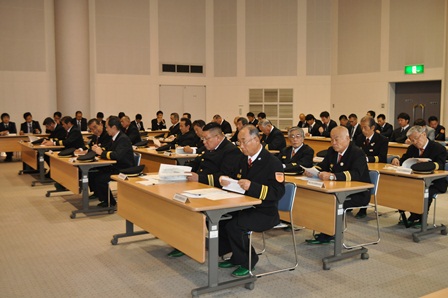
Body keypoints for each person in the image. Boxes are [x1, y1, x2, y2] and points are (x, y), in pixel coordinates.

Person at [167, 122, 243, 258]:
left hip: (219, 192)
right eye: (203, 138)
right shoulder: (208, 147)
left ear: (218, 137)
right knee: (178, 205)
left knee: (190, 209)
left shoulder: (231, 151)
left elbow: (224, 176)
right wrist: (179, 172)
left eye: (206, 138)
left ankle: (193, 244)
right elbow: (197, 164)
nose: (204, 142)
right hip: (202, 188)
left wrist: (199, 178)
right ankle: (183, 243)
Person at [218, 125, 285, 277]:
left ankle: (248, 261)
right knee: (222, 220)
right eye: (239, 143)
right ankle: (236, 256)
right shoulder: (243, 159)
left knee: (235, 226)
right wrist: (226, 180)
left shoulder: (272, 162)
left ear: (256, 140)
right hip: (244, 206)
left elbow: (278, 192)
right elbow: (233, 176)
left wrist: (252, 186)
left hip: (264, 211)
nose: (241, 146)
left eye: (244, 142)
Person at [305, 126, 371, 244]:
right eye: (331, 139)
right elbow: (323, 165)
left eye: (336, 139)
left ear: (347, 138)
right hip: (337, 190)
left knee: (332, 202)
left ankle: (331, 233)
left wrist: (333, 176)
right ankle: (326, 230)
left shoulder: (357, 153)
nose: (333, 143)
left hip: (358, 193)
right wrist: (313, 170)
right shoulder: (332, 151)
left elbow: (356, 174)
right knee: (320, 198)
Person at [391, 126, 447, 227]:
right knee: (404, 189)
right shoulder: (412, 148)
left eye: (417, 138)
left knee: (424, 192)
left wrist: (427, 163)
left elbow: (441, 165)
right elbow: (404, 159)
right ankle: (413, 215)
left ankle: (421, 218)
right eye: (412, 140)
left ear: (424, 134)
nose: (415, 142)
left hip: (435, 182)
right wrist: (396, 160)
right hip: (416, 180)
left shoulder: (438, 148)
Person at [90, 116, 135, 207]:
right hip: (116, 166)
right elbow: (108, 149)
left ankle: (110, 202)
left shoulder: (122, 139)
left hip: (124, 168)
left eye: (107, 127)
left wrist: (101, 152)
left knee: (100, 178)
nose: (106, 129)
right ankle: (103, 198)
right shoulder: (115, 138)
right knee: (93, 172)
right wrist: (99, 149)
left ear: (113, 127)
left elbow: (117, 155)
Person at [354, 116, 388, 218]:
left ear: (373, 128)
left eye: (365, 128)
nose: (363, 130)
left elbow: (382, 157)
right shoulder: (359, 138)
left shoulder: (382, 139)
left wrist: (367, 159)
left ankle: (363, 207)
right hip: (361, 166)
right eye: (361, 128)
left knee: (365, 179)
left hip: (374, 167)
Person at [86, 118, 113, 200]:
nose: (94, 130)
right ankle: (96, 192)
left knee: (98, 175)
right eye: (91, 129)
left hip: (109, 163)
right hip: (99, 161)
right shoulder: (95, 137)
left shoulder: (107, 135)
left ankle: (106, 198)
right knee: (89, 170)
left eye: (95, 127)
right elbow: (91, 148)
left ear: (101, 125)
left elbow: (105, 149)